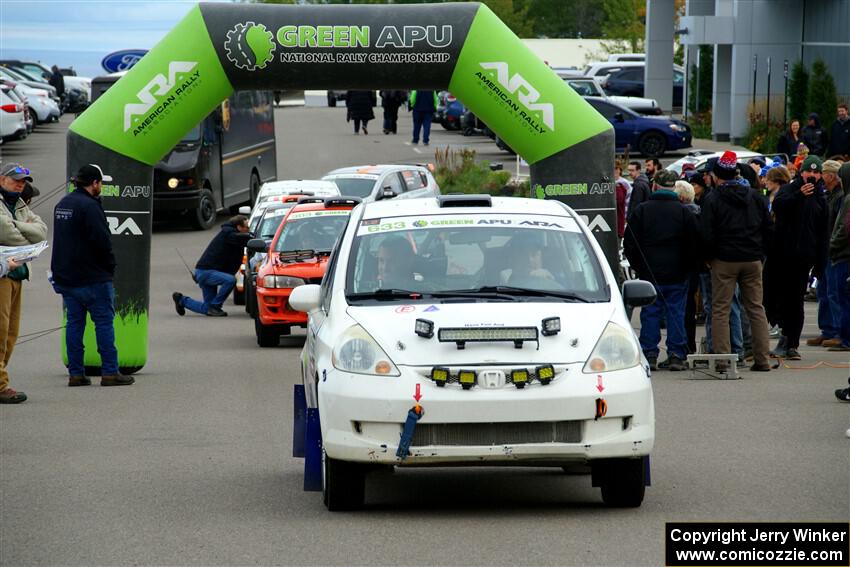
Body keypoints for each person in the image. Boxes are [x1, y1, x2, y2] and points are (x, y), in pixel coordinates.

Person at [51, 164, 132, 387]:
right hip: (94, 277)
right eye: (100, 183)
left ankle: (76, 374)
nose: (101, 187)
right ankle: (110, 372)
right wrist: (110, 266)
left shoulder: (62, 205)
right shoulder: (90, 206)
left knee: (74, 325)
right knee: (104, 324)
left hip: (68, 278)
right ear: (94, 183)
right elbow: (102, 241)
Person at [700, 151, 774, 372]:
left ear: (716, 176)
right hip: (752, 258)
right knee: (756, 308)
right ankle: (762, 359)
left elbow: (706, 233)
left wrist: (708, 257)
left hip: (724, 259)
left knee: (721, 309)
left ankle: (723, 360)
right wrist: (761, 254)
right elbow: (769, 229)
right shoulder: (756, 197)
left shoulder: (712, 199)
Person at [624, 170, 699, 371]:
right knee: (676, 312)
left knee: (650, 312)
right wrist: (688, 268)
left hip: (650, 272)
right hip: (677, 272)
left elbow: (630, 243)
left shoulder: (642, 210)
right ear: (674, 187)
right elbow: (694, 244)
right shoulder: (684, 212)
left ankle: (649, 353)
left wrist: (639, 266)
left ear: (655, 185)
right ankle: (676, 354)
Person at [771, 155, 828, 359]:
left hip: (804, 258)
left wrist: (820, 263)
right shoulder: (790, 188)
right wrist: (798, 196)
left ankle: (792, 343)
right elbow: (778, 205)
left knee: (796, 302)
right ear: (801, 172)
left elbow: (823, 233)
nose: (811, 175)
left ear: (820, 175)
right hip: (783, 255)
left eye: (815, 172)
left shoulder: (821, 197)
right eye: (808, 171)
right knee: (779, 299)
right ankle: (783, 336)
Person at [0, 163, 48, 404]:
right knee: (0, 332)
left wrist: (18, 227)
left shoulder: (18, 203)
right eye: (16, 179)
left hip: (18, 274)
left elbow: (41, 231)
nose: (21, 184)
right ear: (1, 179)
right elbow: (7, 235)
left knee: (11, 333)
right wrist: (25, 239)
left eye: (24, 181)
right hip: (2, 275)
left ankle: (0, 379)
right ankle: (0, 384)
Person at [173, 215, 253, 317]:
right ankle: (215, 306)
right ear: (238, 227)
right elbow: (237, 237)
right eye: (246, 227)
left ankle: (182, 300)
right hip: (207, 271)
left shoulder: (231, 235)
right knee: (230, 280)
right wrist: (251, 237)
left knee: (207, 308)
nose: (248, 229)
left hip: (207, 271)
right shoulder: (229, 234)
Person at [808, 160, 845, 347]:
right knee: (823, 291)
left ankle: (839, 332)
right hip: (825, 249)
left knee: (834, 293)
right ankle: (827, 329)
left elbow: (839, 226)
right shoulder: (828, 195)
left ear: (831, 176)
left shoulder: (840, 197)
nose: (821, 176)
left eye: (823, 173)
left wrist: (831, 245)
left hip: (834, 250)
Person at [825, 161, 850, 352]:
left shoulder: (846, 198)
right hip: (840, 252)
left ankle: (845, 336)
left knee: (841, 295)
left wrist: (833, 244)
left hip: (842, 254)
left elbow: (843, 227)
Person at [675, 179, 702, 354]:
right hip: (695, 267)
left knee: (682, 309)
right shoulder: (699, 212)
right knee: (690, 308)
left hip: (684, 267)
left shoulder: (684, 215)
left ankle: (684, 346)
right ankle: (689, 345)